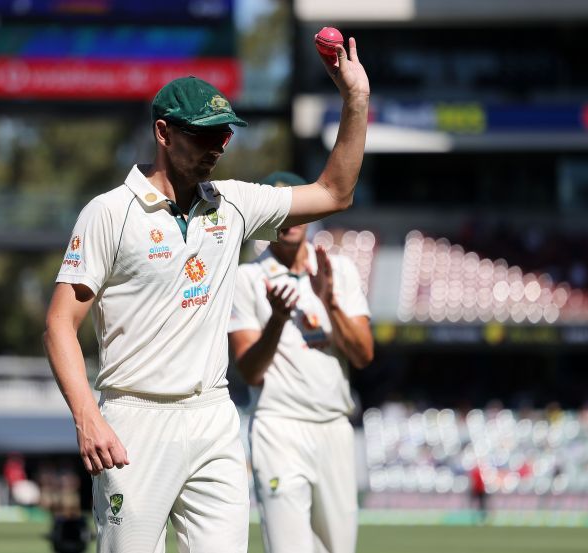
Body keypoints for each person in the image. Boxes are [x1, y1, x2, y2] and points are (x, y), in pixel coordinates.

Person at [43, 36, 369, 553]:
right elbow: (60, 323)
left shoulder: (234, 205)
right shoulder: (109, 213)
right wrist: (88, 418)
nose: (218, 147)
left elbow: (334, 192)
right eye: (204, 136)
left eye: (224, 135)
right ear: (163, 133)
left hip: (214, 416)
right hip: (134, 418)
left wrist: (355, 99)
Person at [227, 172, 374, 553]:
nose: (289, 223)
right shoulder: (247, 278)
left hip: (334, 427)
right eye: (281, 214)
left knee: (338, 548)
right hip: (278, 428)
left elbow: (363, 354)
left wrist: (329, 301)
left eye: (296, 213)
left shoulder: (338, 271)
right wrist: (276, 319)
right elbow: (249, 371)